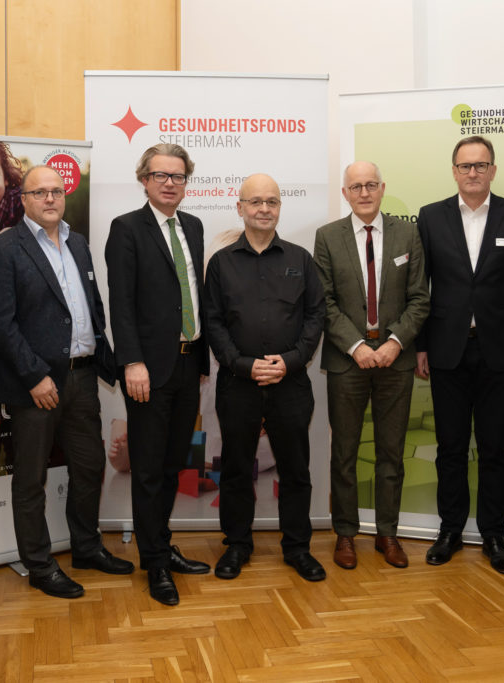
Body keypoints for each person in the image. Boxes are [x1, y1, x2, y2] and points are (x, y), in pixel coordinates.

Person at [0, 165, 131, 599]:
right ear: (22, 198)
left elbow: (89, 304)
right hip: (36, 386)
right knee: (31, 479)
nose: (50, 198)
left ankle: (86, 547)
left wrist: (104, 355)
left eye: (56, 191)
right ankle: (40, 565)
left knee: (89, 466)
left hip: (82, 379)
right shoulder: (2, 249)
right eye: (39, 192)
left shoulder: (77, 242)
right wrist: (34, 376)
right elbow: (0, 324)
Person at [415, 136, 504, 575]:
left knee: (494, 448)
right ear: (453, 171)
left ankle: (493, 535)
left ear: (492, 170)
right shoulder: (430, 217)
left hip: (499, 352)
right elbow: (420, 288)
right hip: (447, 350)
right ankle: (450, 530)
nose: (473, 172)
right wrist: (422, 346)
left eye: (481, 165)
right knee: (449, 447)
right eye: (465, 166)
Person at [204, 173, 326, 583]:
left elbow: (315, 317)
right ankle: (237, 545)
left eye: (271, 201)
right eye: (255, 202)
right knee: (237, 468)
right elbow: (213, 322)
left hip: (290, 382)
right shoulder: (221, 264)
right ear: (240, 208)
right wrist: (241, 364)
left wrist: (291, 361)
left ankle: (297, 547)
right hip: (238, 383)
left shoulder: (300, 259)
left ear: (279, 207)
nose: (263, 209)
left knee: (296, 469)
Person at [105, 144, 211, 606]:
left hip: (189, 364)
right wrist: (131, 362)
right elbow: (121, 302)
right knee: (147, 470)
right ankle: (154, 564)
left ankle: (162, 545)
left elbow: (193, 292)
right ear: (144, 180)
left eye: (178, 176)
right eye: (160, 175)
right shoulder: (126, 229)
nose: (170, 183)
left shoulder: (194, 226)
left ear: (187, 182)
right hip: (148, 368)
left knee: (173, 465)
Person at [313, 161, 430, 570]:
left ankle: (387, 534)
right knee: (343, 452)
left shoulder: (408, 233)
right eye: (355, 186)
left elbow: (420, 298)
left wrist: (396, 342)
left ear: (383, 189)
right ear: (345, 193)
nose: (364, 193)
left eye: (371, 185)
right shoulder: (327, 237)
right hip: (348, 362)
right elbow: (323, 302)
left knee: (391, 453)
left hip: (394, 362)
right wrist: (356, 346)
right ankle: (346, 534)